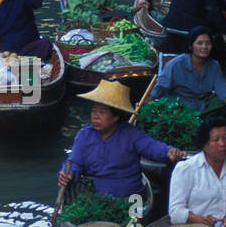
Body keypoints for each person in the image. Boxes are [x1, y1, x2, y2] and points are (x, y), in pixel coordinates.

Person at [58, 79, 189, 197]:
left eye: (102, 112)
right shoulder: (84, 135)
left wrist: (169, 151)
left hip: (131, 196)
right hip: (97, 195)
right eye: (94, 111)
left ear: (116, 117)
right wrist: (67, 173)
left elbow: (152, 147)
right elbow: (74, 162)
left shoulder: (131, 134)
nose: (95, 116)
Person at [169, 115, 226, 227]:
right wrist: (199, 219)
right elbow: (175, 212)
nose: (222, 144)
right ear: (204, 145)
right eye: (216, 140)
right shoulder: (186, 169)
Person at [152, 28, 226, 116]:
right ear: (190, 46)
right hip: (178, 108)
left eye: (208, 43)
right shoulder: (175, 64)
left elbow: (222, 91)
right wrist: (148, 102)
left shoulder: (214, 65)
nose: (204, 47)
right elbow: (160, 88)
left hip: (202, 106)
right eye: (199, 43)